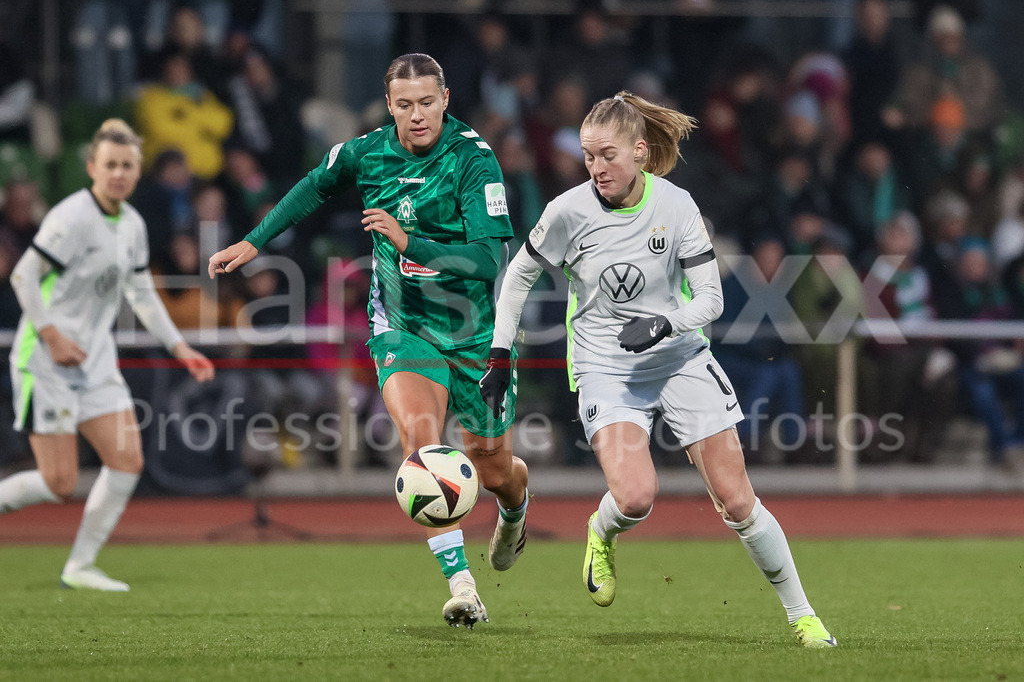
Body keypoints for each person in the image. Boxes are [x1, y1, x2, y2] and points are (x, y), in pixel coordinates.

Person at [479, 91, 837, 648]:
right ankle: (602, 530)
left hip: (679, 358)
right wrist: (501, 353)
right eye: (588, 156)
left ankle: (803, 617)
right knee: (636, 498)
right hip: (606, 367)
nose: (596, 168)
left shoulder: (677, 205)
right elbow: (519, 277)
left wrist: (665, 325)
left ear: (641, 151)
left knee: (737, 499)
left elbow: (712, 300)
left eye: (608, 155)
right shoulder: (568, 211)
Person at [207, 54, 529, 628]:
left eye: (427, 102)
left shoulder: (474, 160)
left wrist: (410, 244)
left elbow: (488, 261)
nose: (417, 115)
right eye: (404, 105)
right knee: (421, 449)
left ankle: (514, 509)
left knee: (494, 466)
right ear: (389, 106)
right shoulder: (368, 152)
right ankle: (462, 588)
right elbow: (314, 185)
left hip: (473, 335)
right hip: (403, 329)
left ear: (446, 99)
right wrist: (256, 241)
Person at [0, 119, 215, 590]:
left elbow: (141, 294)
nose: (118, 173)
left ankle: (79, 566)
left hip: (95, 361)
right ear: (92, 167)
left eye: (127, 166)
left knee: (126, 462)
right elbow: (23, 277)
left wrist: (180, 347)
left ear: (136, 173)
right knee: (59, 483)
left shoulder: (132, 224)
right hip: (46, 359)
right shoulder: (71, 217)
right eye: (110, 164)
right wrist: (53, 336)